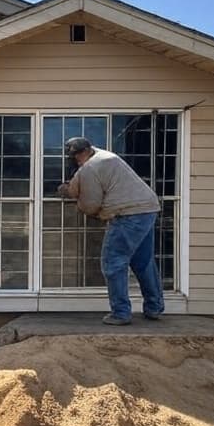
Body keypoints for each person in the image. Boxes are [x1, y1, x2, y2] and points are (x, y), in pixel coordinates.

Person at [58, 137, 165, 326]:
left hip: (127, 215)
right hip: (148, 209)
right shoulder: (106, 156)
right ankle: (154, 307)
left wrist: (70, 195)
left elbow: (90, 206)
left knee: (113, 262)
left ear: (77, 155)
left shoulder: (90, 168)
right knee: (143, 262)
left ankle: (121, 313)